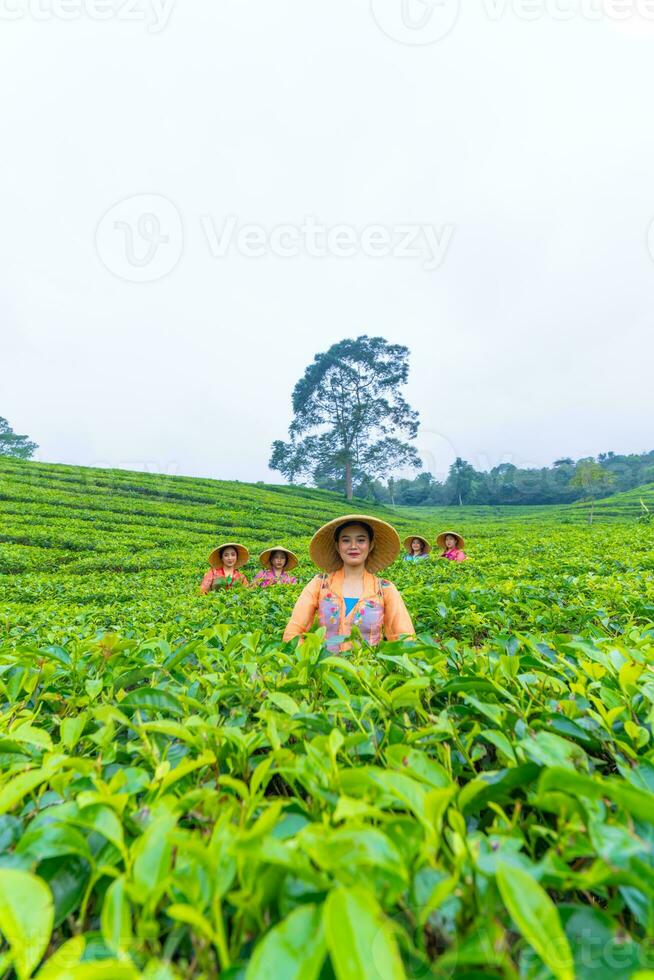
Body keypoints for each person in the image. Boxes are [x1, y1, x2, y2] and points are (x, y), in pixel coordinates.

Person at [283, 514, 414, 652]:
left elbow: (404, 639)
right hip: (325, 670)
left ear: (371, 545)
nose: (353, 546)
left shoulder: (384, 589)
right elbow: (292, 633)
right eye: (346, 540)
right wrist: (311, 662)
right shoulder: (320, 584)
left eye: (361, 540)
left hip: (369, 671)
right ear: (337, 545)